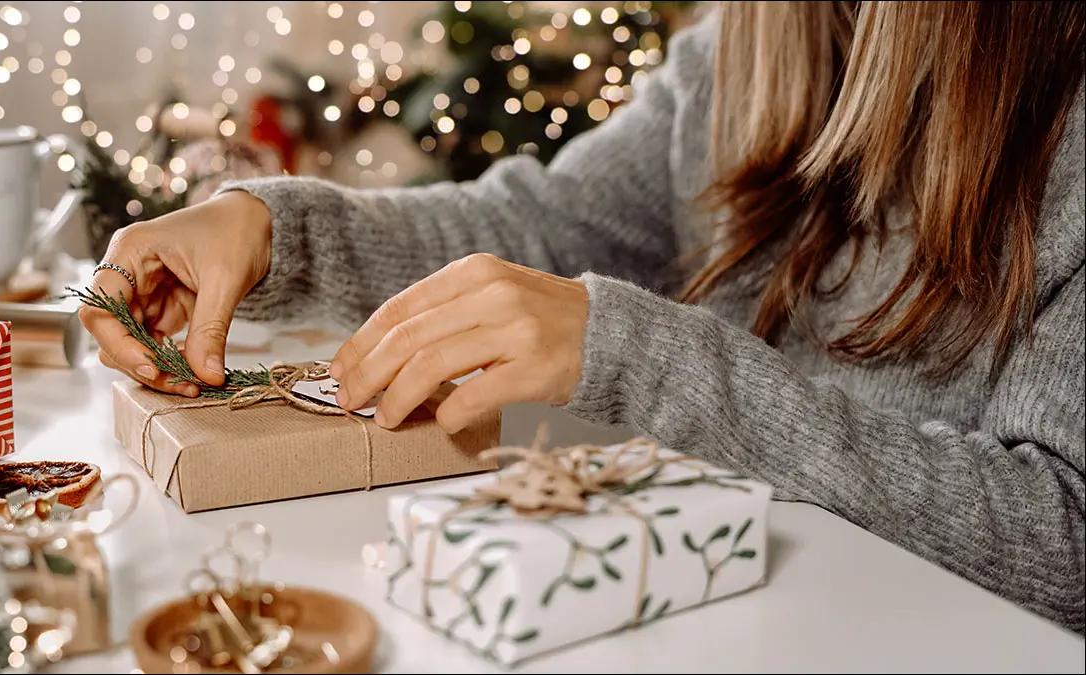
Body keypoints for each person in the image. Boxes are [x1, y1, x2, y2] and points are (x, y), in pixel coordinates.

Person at [81, 2, 1085, 634]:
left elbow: (1065, 544)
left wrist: (643, 359)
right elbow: (541, 226)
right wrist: (269, 230)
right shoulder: (743, 49)